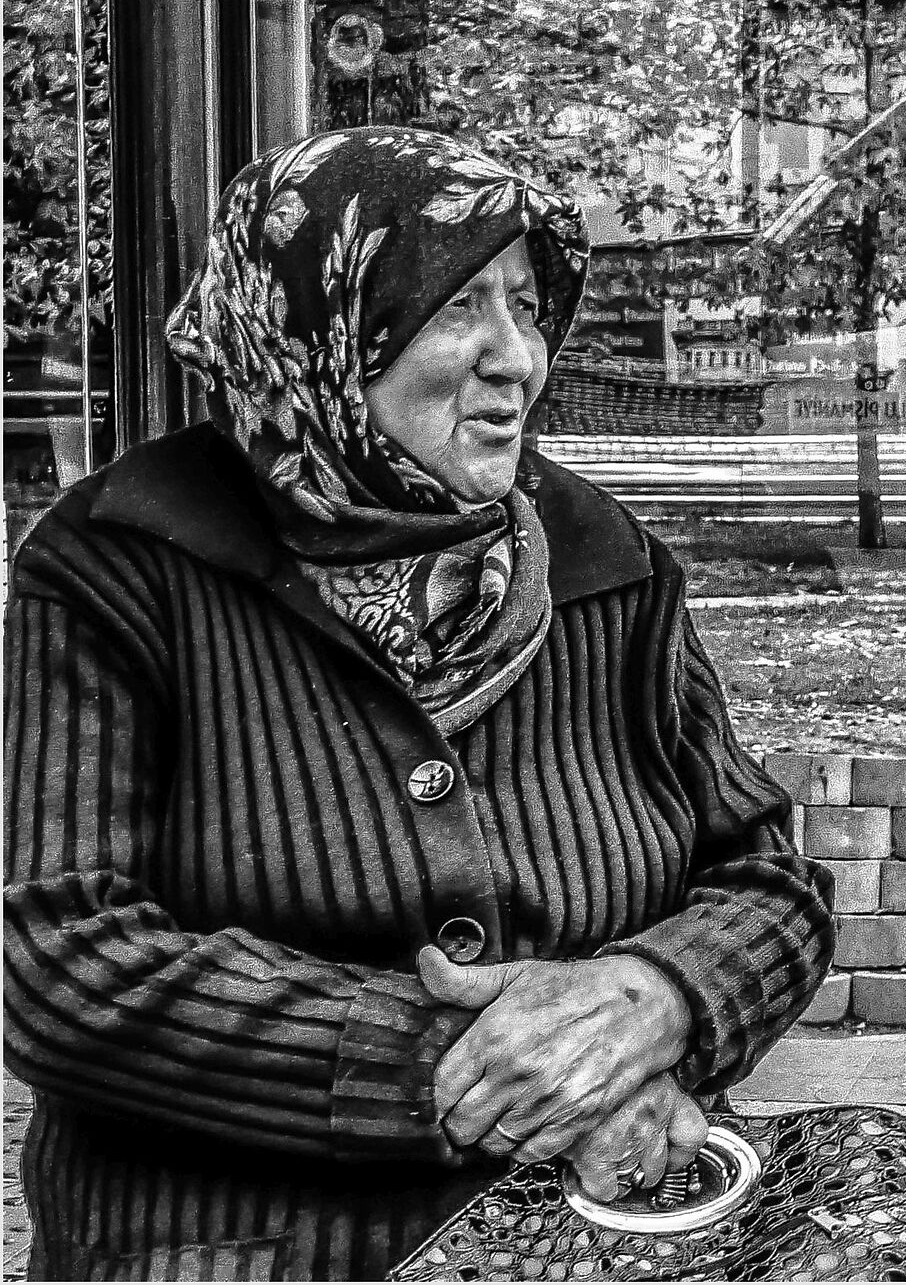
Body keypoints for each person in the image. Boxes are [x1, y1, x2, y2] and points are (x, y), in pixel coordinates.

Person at [5, 128, 834, 1280]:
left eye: (529, 306)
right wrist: (481, 1075)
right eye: (459, 307)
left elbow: (767, 879)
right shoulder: (119, 567)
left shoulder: (608, 564)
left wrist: (658, 997)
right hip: (233, 1251)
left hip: (594, 1247)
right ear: (322, 329)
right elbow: (64, 961)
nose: (520, 360)